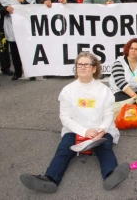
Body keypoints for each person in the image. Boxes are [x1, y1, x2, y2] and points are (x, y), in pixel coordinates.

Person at [20, 52, 130, 193]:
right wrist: (84, 132)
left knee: (105, 149)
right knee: (63, 150)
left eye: (86, 64)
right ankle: (50, 179)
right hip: (75, 130)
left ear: (94, 68)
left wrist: (101, 130)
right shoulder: (67, 90)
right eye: (79, 64)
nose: (82, 67)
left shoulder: (104, 90)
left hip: (100, 130)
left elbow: (108, 115)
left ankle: (110, 175)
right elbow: (65, 118)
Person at [3, 0, 36, 81]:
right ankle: (17, 72)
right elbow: (0, 10)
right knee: (15, 51)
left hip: (26, 27)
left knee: (28, 50)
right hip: (13, 27)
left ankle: (31, 72)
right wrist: (5, 8)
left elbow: (35, 9)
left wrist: (24, 2)